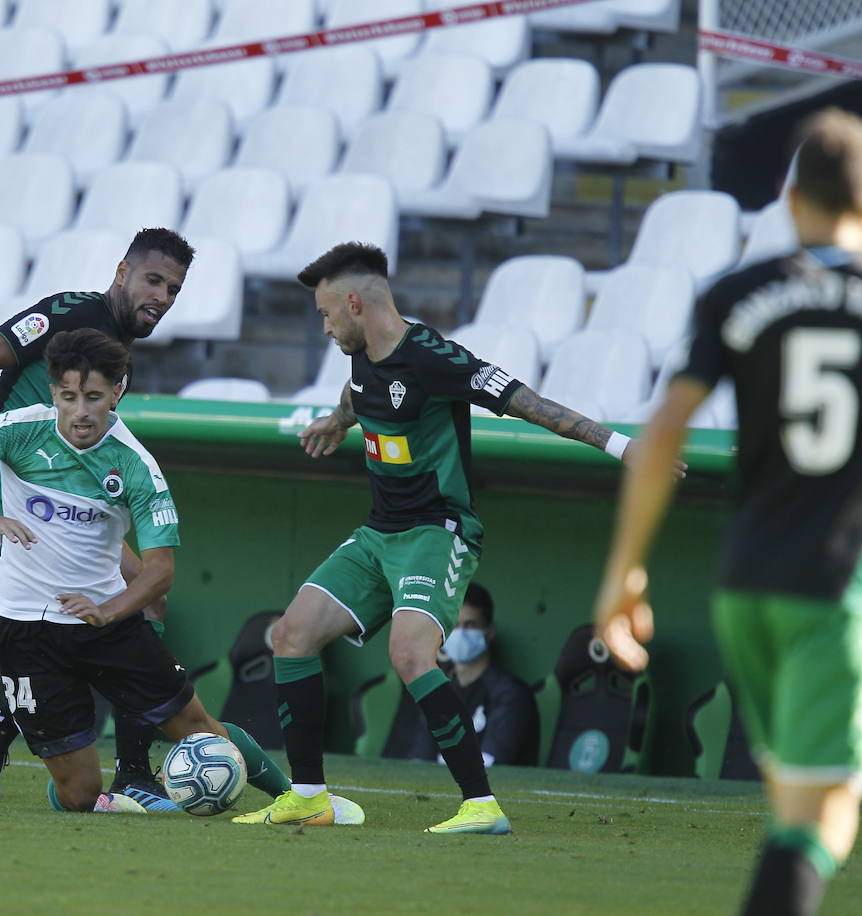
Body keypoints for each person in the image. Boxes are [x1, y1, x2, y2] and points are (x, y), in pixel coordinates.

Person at [234, 242, 677, 831]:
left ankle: (481, 805)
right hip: (378, 534)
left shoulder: (436, 359)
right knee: (290, 635)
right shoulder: (361, 352)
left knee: (410, 653)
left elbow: (532, 404)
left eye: (324, 313)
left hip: (437, 532)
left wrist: (622, 447)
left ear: (353, 303)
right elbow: (357, 395)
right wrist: (336, 421)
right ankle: (310, 796)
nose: (324, 326)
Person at [594, 109, 862, 916]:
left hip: (744, 583)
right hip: (833, 590)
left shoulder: (736, 292)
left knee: (792, 809)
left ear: (788, 196)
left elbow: (663, 431)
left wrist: (624, 572)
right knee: (823, 823)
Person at [0, 329, 346, 817]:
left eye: (94, 397)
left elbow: (160, 572)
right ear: (54, 391)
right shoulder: (16, 428)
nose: (80, 411)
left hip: (107, 624)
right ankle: (49, 763)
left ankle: (299, 798)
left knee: (202, 730)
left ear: (116, 393)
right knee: (79, 796)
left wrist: (107, 610)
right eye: (69, 397)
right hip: (25, 624)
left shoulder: (136, 465)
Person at [0, 228, 194, 803]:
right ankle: (134, 775)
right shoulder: (73, 312)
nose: (163, 296)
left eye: (174, 289)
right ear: (121, 271)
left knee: (133, 595)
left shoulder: (117, 344)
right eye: (154, 280)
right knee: (122, 594)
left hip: (51, 490)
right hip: (11, 482)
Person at [397, 583, 536, 767]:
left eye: (470, 625)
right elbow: (418, 761)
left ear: (490, 631)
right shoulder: (436, 693)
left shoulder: (510, 694)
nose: (460, 633)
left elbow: (488, 766)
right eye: (453, 625)